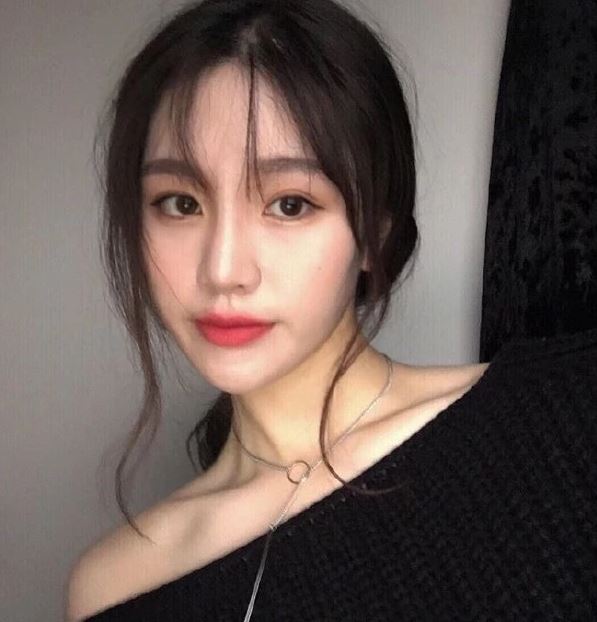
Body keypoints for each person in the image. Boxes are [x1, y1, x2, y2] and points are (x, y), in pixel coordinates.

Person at [65, 0, 597, 620]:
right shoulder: (112, 588)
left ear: (373, 234)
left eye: (289, 204)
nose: (223, 270)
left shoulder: (565, 412)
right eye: (181, 203)